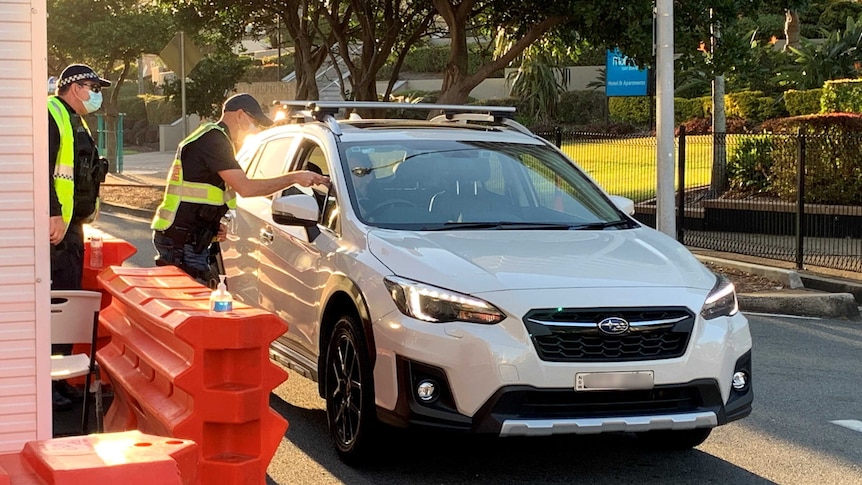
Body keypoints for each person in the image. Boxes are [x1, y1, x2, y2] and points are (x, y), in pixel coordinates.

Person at [151, 93, 329, 286]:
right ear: (240, 114)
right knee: (190, 305)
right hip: (182, 242)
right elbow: (245, 188)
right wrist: (294, 177)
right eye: (255, 121)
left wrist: (211, 224)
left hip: (185, 237)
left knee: (188, 303)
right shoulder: (215, 140)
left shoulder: (214, 138)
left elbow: (204, 191)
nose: (255, 128)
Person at [48, 64, 111, 411]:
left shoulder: (75, 119)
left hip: (71, 225)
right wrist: (53, 212)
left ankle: (60, 378)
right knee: (57, 304)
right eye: (92, 86)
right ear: (74, 87)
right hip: (59, 227)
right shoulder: (53, 114)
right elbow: (44, 166)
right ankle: (49, 383)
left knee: (66, 298)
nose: (96, 93)